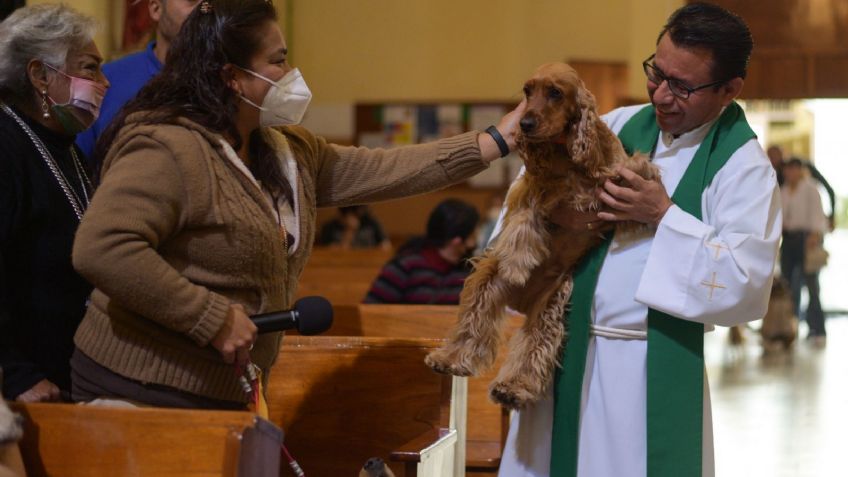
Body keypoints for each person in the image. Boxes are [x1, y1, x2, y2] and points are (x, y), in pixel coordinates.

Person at [69, 0, 521, 409]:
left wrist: (494, 141)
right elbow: (103, 246)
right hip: (141, 389)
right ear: (232, 77)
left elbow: (386, 169)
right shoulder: (168, 146)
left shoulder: (283, 149)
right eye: (278, 61)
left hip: (227, 390)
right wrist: (209, 317)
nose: (291, 74)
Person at [497, 3, 781, 477]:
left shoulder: (744, 167)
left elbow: (745, 284)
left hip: (644, 372)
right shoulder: (621, 124)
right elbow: (525, 191)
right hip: (561, 353)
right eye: (657, 73)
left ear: (730, 89)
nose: (662, 96)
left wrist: (663, 215)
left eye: (683, 86)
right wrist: (555, 215)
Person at [0, 4, 109, 402]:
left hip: (74, 375)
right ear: (39, 75)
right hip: (28, 387)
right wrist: (15, 374)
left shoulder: (69, 150)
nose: (105, 83)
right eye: (90, 68)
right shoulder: (7, 146)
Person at [75, 0, 201, 162]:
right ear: (156, 9)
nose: (203, 7)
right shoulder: (108, 79)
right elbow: (78, 164)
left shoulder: (228, 80)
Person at [364, 199, 479, 304]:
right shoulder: (404, 267)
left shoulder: (469, 271)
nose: (473, 243)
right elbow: (370, 309)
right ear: (456, 241)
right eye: (472, 236)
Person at [780, 157, 828, 343]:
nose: (790, 173)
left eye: (794, 169)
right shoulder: (783, 190)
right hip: (789, 239)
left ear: (800, 170)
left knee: (811, 285)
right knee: (788, 285)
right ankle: (790, 326)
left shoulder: (811, 189)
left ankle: (818, 328)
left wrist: (815, 235)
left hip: (807, 239)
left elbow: (817, 214)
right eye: (788, 169)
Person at [767, 145, 835, 230]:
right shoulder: (780, 184)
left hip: (808, 229)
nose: (772, 160)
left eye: (774, 156)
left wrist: (832, 217)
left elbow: (829, 190)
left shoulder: (809, 184)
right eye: (770, 157)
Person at [317, 205, 391, 250]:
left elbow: (385, 246)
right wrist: (349, 230)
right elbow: (332, 254)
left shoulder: (371, 223)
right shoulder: (330, 227)